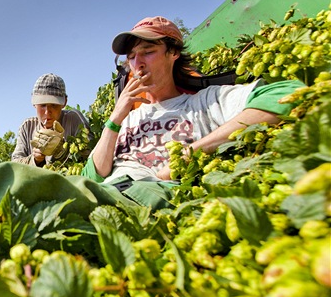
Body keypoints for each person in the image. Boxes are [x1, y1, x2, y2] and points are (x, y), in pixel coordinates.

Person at [82, 16, 304, 205]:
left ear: (174, 52)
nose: (137, 63)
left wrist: (188, 156)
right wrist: (115, 117)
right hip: (99, 194)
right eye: (131, 57)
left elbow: (286, 94)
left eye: (147, 51)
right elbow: (92, 175)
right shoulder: (127, 119)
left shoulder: (204, 102)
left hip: (148, 196)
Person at [11, 73, 90, 167]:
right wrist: (35, 159)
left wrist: (61, 152)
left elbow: (91, 157)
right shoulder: (27, 127)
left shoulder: (74, 119)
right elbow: (14, 164)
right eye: (42, 105)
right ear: (34, 103)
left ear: (64, 102)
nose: (47, 112)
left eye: (54, 105)